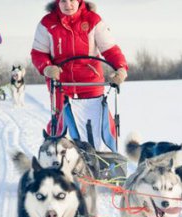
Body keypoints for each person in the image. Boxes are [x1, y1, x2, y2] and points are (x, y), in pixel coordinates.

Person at [31, 0, 128, 152]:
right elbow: (38, 53)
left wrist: (121, 68)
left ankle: (101, 158)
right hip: (60, 82)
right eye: (63, 1)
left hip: (90, 82)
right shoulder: (47, 23)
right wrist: (46, 67)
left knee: (97, 122)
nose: (68, 5)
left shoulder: (93, 20)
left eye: (72, 0)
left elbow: (111, 50)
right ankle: (56, 157)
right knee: (60, 123)